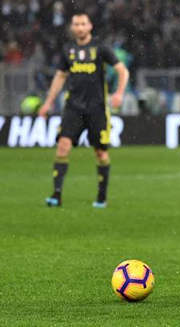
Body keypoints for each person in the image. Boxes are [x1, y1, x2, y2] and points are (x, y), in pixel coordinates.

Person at [38, 11, 129, 207]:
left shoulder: (100, 48)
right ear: (72, 27)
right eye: (76, 24)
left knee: (100, 153)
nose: (79, 27)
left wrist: (119, 93)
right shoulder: (67, 50)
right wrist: (48, 102)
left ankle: (101, 197)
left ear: (89, 27)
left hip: (97, 109)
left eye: (83, 24)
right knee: (63, 147)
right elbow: (60, 76)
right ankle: (56, 195)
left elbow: (122, 70)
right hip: (73, 108)